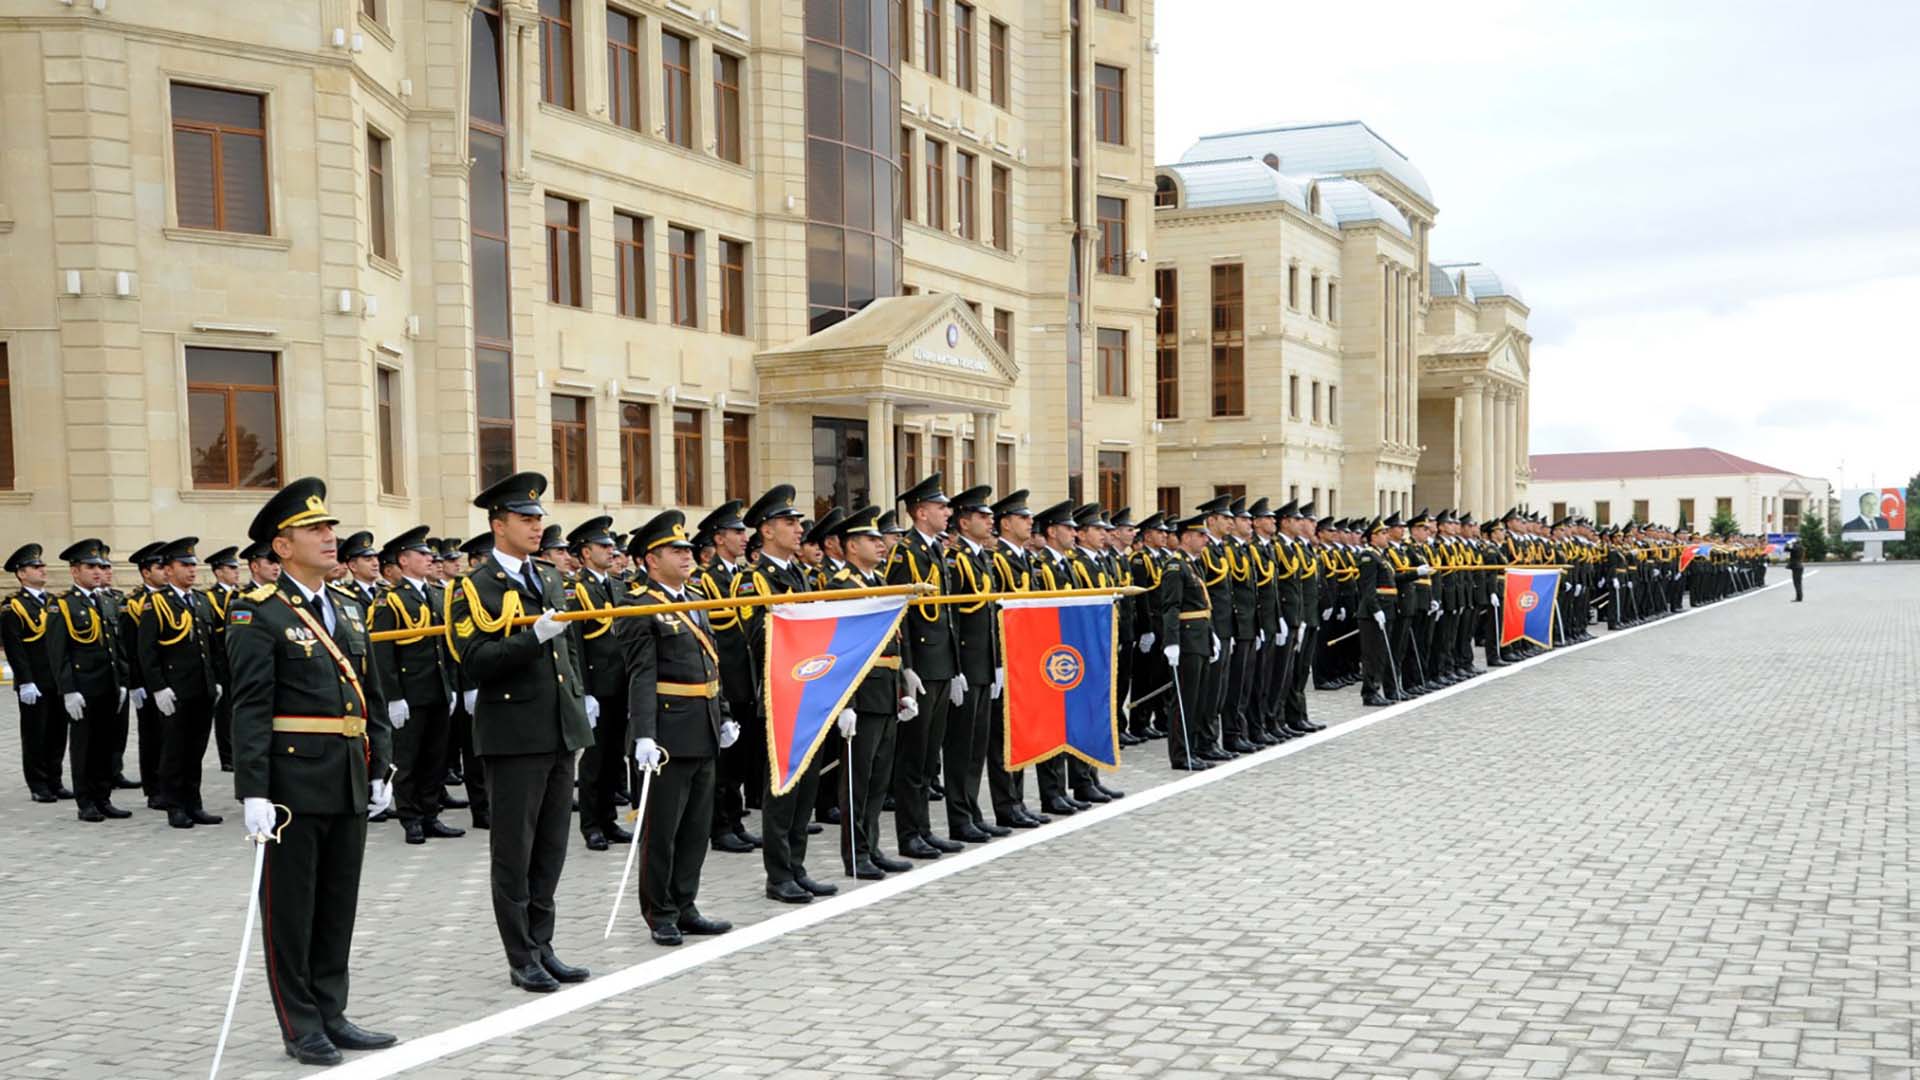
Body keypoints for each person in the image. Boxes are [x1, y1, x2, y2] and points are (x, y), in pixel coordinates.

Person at [225, 477, 396, 1066]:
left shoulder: (348, 606)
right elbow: (250, 706)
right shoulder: (258, 613)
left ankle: (331, 1011)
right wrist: (253, 791)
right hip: (292, 784)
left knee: (336, 905)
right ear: (282, 547)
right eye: (314, 529)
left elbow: (370, 694)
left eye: (329, 527)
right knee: (291, 911)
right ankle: (300, 1025)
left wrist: (381, 765)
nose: (329, 537)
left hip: (348, 774)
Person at [446, 471, 594, 993]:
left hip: (558, 728)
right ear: (498, 525)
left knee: (551, 848)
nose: (536, 527)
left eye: (538, 518)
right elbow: (474, 660)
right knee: (515, 852)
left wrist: (579, 699)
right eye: (525, 518)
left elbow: (568, 650)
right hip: (513, 733)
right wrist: (533, 637)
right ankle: (521, 955)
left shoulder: (549, 577)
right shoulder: (473, 586)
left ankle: (543, 944)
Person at [619, 510, 735, 945]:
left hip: (703, 727)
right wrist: (644, 734)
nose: (687, 556)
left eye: (687, 549)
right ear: (652, 560)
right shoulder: (640, 606)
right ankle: (660, 912)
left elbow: (711, 663)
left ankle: (686, 904)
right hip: (667, 733)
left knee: (695, 829)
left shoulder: (694, 597)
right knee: (662, 830)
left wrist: (724, 714)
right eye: (675, 550)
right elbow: (640, 675)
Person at [736, 483, 840, 903]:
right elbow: (756, 635)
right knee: (782, 788)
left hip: (809, 689)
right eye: (789, 522)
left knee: (806, 786)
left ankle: (797, 866)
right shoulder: (754, 579)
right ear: (766, 530)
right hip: (781, 692)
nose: (799, 529)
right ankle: (778, 874)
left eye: (798, 523)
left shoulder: (799, 574)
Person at [825, 505, 915, 877]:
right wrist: (846, 703)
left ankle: (872, 846)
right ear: (851, 546)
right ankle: (856, 854)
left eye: (880, 539)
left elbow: (893, 640)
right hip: (862, 695)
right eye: (871, 539)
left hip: (885, 692)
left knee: (878, 779)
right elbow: (841, 648)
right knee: (858, 781)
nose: (881, 545)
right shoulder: (841, 587)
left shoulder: (878, 581)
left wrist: (902, 688)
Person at [887, 473, 966, 857]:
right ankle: (909, 834)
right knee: (913, 756)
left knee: (928, 757)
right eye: (940, 507)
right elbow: (900, 611)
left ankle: (924, 829)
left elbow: (945, 615)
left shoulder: (934, 549)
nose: (947, 512)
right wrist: (907, 667)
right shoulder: (906, 553)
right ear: (920, 512)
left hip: (940, 663)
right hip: (920, 665)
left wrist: (954, 666)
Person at [370, 526, 463, 846]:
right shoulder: (391, 600)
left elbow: (446, 645)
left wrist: (450, 686)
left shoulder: (436, 594)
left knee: (435, 758)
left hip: (436, 690)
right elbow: (383, 652)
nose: (429, 559)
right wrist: (394, 697)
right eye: (421, 554)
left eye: (429, 554)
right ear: (403, 560)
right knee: (408, 760)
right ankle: (410, 818)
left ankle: (430, 815)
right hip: (410, 693)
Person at [138, 537, 224, 829]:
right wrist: (158, 687)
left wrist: (216, 679)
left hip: (202, 688)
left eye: (193, 565)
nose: (191, 570)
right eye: (184, 565)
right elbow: (147, 651)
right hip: (175, 690)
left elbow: (211, 646)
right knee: (174, 751)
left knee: (196, 750)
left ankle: (194, 803)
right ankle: (174, 805)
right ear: (168, 569)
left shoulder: (200, 600)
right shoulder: (156, 603)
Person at [44, 540, 131, 821]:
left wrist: (122, 681)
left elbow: (116, 646)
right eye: (90, 566)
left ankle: (103, 797)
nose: (97, 571)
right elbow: (58, 653)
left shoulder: (106, 601)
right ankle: (86, 802)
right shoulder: (62, 605)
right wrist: (68, 690)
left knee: (106, 744)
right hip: (83, 688)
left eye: (100, 567)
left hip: (108, 685)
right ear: (74, 571)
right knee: (84, 747)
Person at [694, 500, 762, 855]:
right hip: (725, 679)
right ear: (719, 538)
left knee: (740, 758)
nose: (743, 537)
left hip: (746, 678)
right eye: (736, 532)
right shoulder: (706, 579)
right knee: (724, 761)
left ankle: (735, 821)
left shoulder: (744, 576)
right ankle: (719, 827)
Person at [942, 485, 1008, 843]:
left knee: (976, 747)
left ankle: (972, 812)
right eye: (983, 516)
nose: (990, 521)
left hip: (983, 665)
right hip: (966, 665)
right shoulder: (957, 559)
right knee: (960, 747)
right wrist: (956, 668)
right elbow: (953, 617)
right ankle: (959, 817)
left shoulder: (982, 557)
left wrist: (996, 663)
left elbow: (989, 615)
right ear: (964, 523)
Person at [566, 515, 632, 852]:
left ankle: (609, 819)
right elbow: (575, 644)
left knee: (614, 758)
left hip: (620, 684)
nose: (611, 551)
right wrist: (585, 691)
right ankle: (591, 825)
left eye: (611, 546)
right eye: (603, 546)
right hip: (597, 687)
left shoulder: (618, 586)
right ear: (585, 552)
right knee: (594, 761)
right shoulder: (577, 590)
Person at [5, 543, 70, 803]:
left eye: (42, 565)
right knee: (35, 734)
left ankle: (55, 780)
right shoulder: (14, 606)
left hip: (57, 679)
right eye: (36, 566)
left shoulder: (54, 602)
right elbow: (15, 648)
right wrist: (25, 681)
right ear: (22, 574)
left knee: (57, 732)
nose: (43, 569)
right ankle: (38, 784)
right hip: (34, 681)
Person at [1787, 535, 1805, 602]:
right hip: (1800, 566)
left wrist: (1788, 543)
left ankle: (1798, 598)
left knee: (1796, 583)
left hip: (1796, 566)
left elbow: (1786, 549)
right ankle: (1799, 597)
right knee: (1798, 583)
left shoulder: (1795, 548)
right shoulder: (1802, 547)